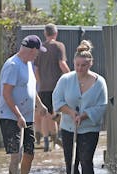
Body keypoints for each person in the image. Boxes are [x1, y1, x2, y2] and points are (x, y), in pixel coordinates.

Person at [52, 40, 108, 174]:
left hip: (89, 128)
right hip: (69, 127)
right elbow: (57, 100)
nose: (80, 68)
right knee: (70, 163)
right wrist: (71, 112)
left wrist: (85, 115)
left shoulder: (99, 83)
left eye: (84, 65)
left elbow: (102, 105)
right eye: (77, 65)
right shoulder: (65, 80)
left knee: (86, 161)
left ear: (91, 63)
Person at [0, 34, 49, 174]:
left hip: (27, 117)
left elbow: (30, 88)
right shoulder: (12, 65)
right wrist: (18, 115)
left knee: (29, 154)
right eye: (37, 52)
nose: (38, 55)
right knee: (16, 155)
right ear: (31, 50)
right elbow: (6, 94)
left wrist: (39, 105)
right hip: (11, 117)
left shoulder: (28, 64)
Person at [34, 24, 70, 152]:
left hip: (43, 87)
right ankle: (55, 141)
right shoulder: (59, 46)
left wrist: (40, 83)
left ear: (45, 33)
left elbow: (36, 70)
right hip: (56, 87)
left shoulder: (40, 48)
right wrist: (71, 77)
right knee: (55, 114)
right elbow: (62, 64)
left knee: (44, 115)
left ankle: (46, 143)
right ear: (56, 33)